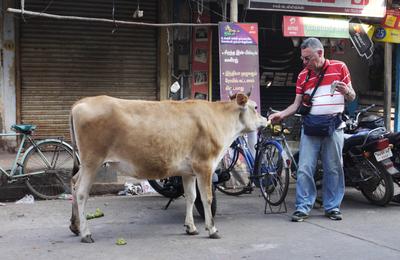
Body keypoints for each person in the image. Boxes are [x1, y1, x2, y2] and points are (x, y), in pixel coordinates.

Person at [269, 38, 356, 222]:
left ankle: (332, 207)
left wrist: (346, 92)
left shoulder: (340, 67)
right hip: (311, 126)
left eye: (307, 58)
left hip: (334, 126)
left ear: (320, 53)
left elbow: (352, 95)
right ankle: (303, 207)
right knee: (304, 168)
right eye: (303, 58)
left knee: (333, 168)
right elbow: (296, 104)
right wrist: (281, 115)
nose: (304, 62)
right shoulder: (303, 75)